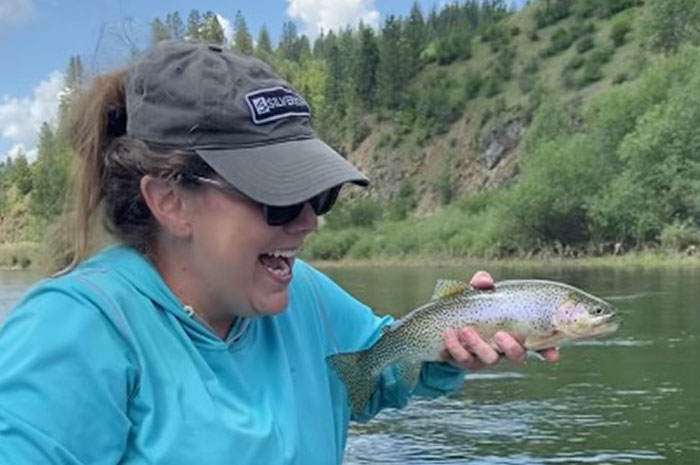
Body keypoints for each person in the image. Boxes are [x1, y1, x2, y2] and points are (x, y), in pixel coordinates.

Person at [0, 41, 558, 464]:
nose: (309, 220)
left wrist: (449, 346)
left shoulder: (304, 295)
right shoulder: (71, 334)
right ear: (171, 201)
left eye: (318, 194)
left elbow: (375, 372)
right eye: (277, 198)